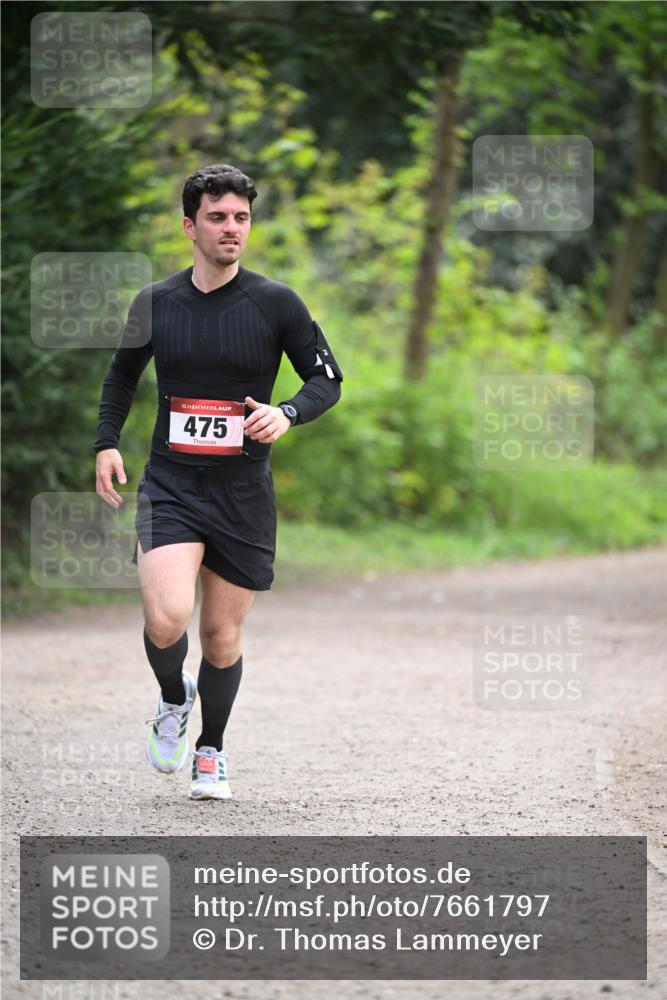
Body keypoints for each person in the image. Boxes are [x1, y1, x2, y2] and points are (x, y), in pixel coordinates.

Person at [94, 163, 343, 800]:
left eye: (241, 217)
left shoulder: (277, 303)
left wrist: (287, 413)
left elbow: (326, 380)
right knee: (165, 619)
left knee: (221, 636)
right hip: (171, 485)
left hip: (243, 492)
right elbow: (122, 375)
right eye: (218, 217)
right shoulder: (156, 302)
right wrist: (106, 443)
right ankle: (173, 696)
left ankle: (211, 749)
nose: (232, 228)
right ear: (190, 226)